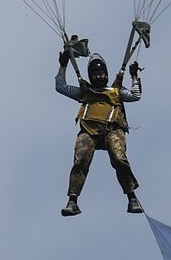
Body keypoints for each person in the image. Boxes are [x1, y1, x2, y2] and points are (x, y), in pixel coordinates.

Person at [56, 48, 143, 216]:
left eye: (101, 73)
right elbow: (61, 87)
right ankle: (72, 201)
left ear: (107, 75)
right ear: (90, 77)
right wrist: (63, 65)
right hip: (89, 131)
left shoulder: (116, 91)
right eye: (95, 74)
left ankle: (132, 197)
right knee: (80, 160)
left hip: (112, 130)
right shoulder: (85, 92)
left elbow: (135, 96)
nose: (99, 76)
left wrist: (134, 76)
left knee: (119, 159)